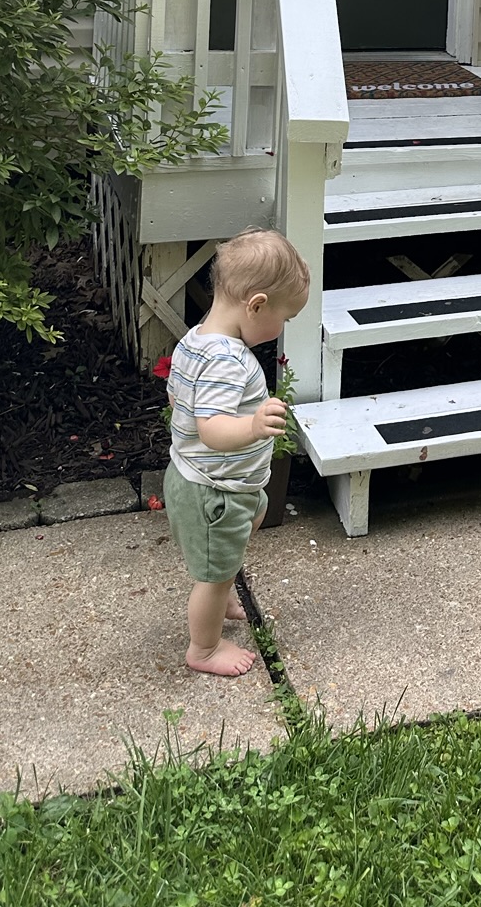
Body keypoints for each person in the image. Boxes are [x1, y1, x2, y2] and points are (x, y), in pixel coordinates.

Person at [163, 226, 310, 676]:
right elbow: (211, 430)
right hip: (214, 491)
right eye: (285, 318)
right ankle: (204, 648)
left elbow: (177, 399)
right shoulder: (226, 360)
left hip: (212, 481)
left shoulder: (195, 339)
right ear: (257, 304)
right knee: (212, 575)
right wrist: (252, 425)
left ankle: (223, 589)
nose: (282, 329)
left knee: (248, 523)